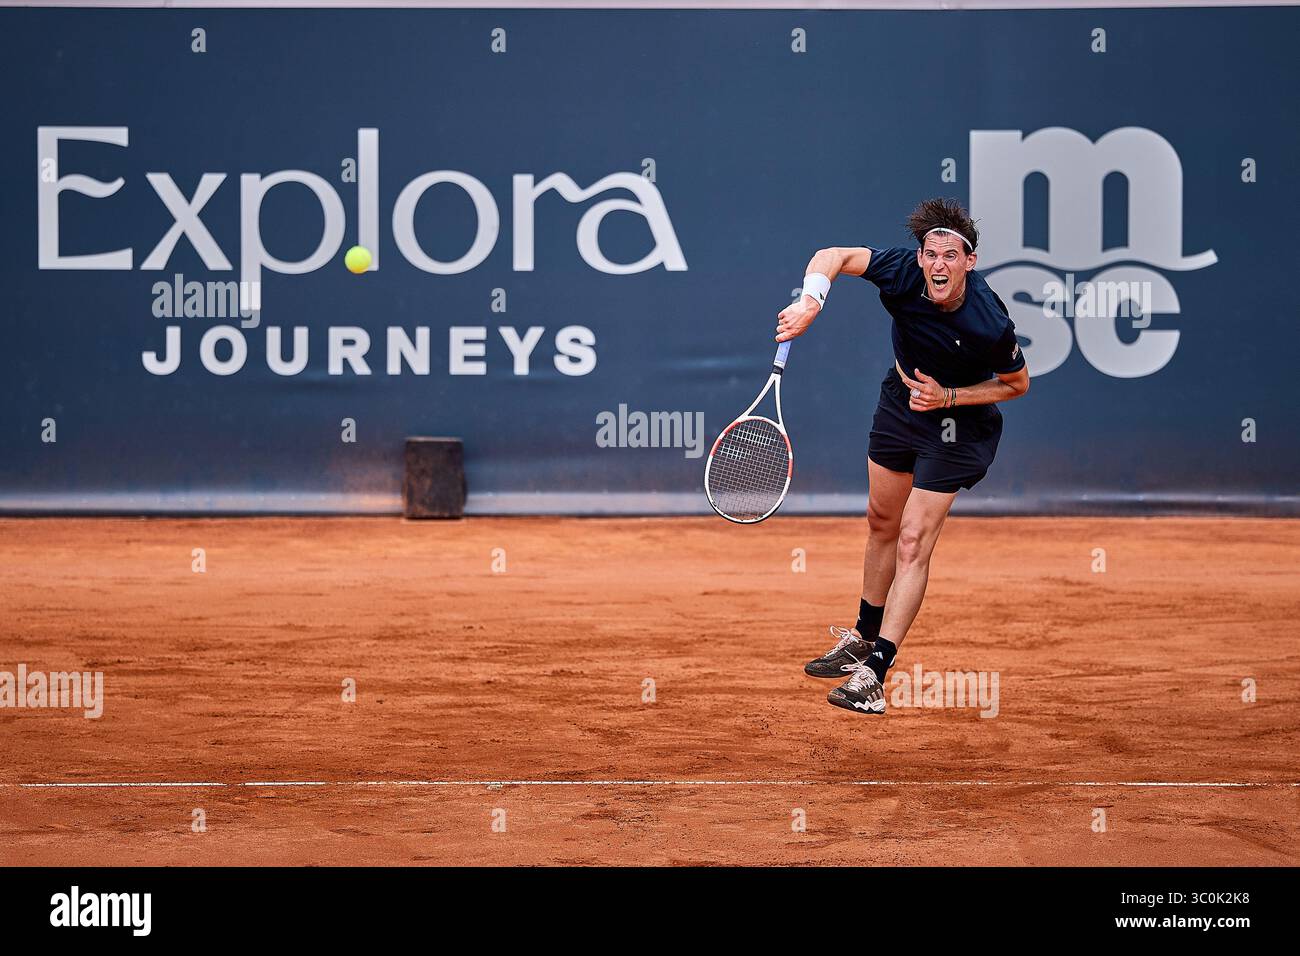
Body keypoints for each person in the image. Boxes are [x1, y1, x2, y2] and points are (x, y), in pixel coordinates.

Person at [776, 198, 1030, 715]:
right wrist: (810, 302)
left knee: (914, 538)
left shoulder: (988, 320)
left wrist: (951, 398)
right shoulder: (902, 271)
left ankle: (876, 672)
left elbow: (1017, 384)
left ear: (970, 262)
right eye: (930, 254)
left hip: (959, 424)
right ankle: (862, 639)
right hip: (902, 402)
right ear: (920, 258)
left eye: (951, 256)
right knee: (881, 521)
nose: (939, 265)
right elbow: (835, 255)